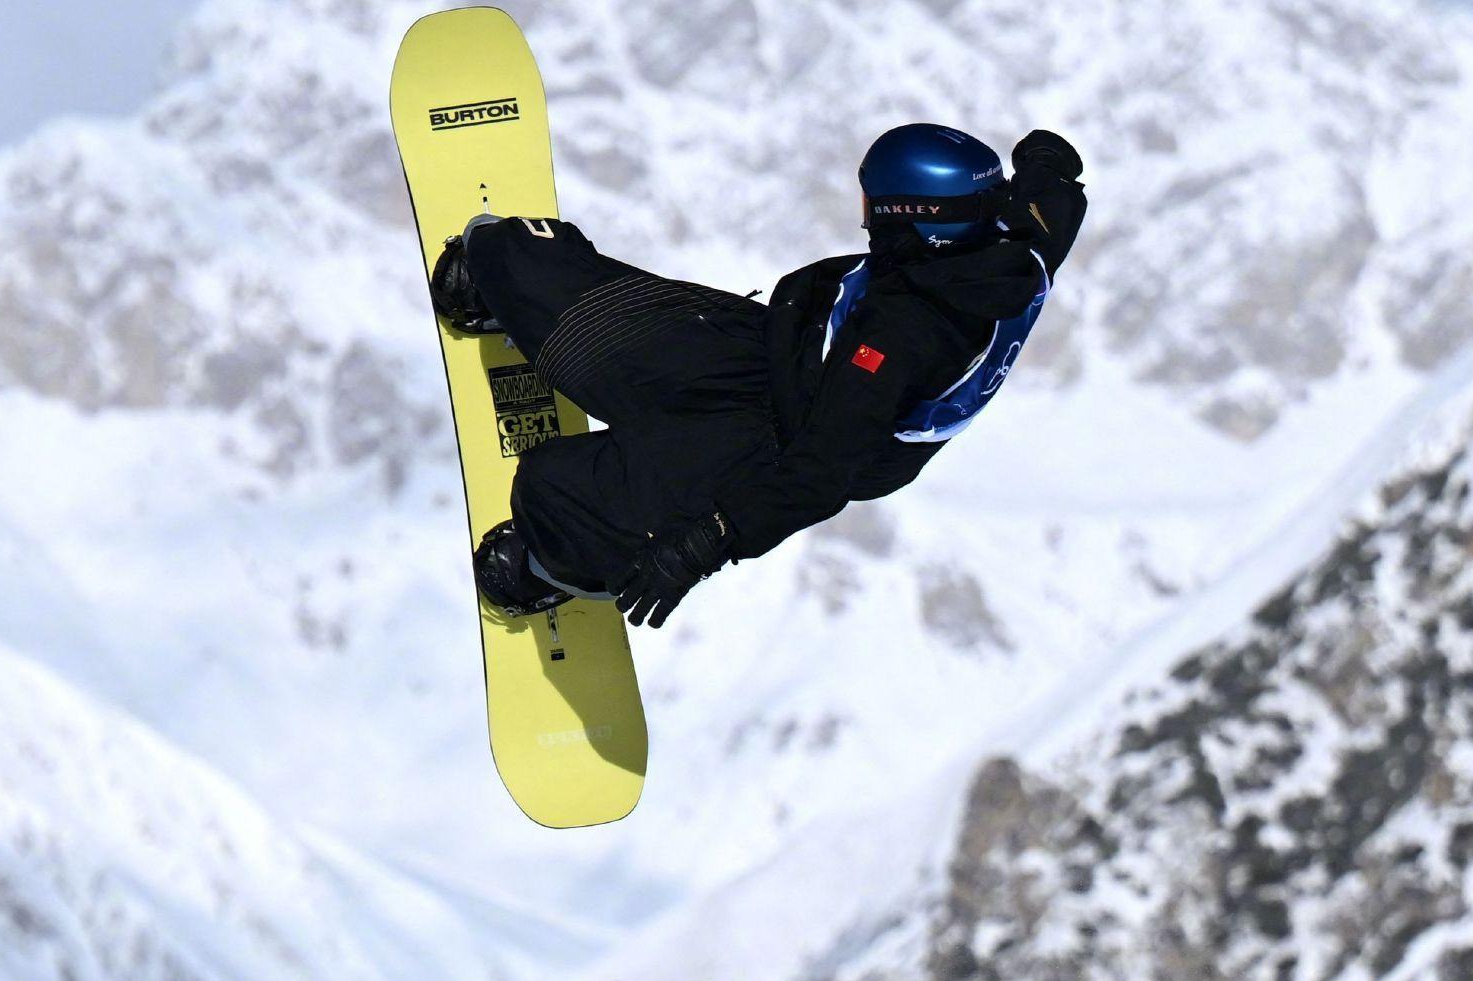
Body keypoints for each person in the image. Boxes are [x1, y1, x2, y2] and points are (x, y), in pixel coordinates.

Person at [429, 124, 1088, 629]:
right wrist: (1046, 161)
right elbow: (1056, 198)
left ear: (912, 219)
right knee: (533, 274)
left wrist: (706, 543)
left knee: (555, 491)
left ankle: (554, 565)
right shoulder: (1015, 238)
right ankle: (505, 291)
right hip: (778, 354)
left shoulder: (899, 337)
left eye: (873, 205)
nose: (863, 216)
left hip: (781, 448)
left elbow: (821, 473)